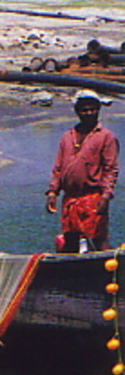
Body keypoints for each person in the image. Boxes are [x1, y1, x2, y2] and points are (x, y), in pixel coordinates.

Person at [47, 90, 119, 253]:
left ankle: (110, 271)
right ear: (77, 111)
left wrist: (106, 196)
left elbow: (111, 169)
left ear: (98, 110)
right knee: (70, 239)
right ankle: (72, 274)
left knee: (98, 238)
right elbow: (58, 167)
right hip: (70, 198)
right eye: (84, 110)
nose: (88, 113)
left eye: (92, 109)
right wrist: (53, 192)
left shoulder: (106, 137)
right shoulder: (67, 137)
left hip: (93, 196)